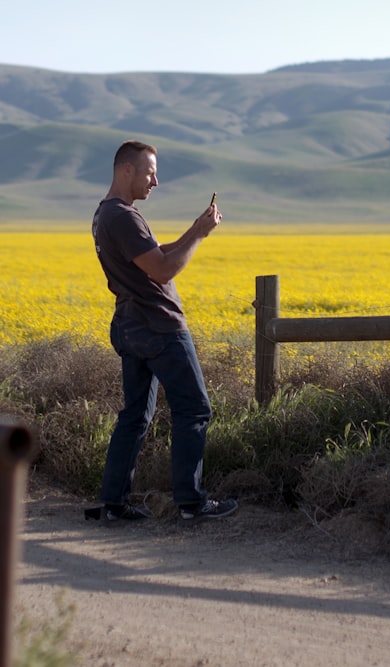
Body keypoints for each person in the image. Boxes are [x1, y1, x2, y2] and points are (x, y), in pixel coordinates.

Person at [91, 139, 237, 523]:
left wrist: (193, 230)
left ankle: (114, 504)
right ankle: (191, 502)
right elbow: (163, 270)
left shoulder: (107, 214)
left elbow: (155, 254)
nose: (155, 180)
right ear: (127, 170)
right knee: (195, 408)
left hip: (131, 326)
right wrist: (201, 234)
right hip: (158, 326)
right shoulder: (123, 217)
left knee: (136, 416)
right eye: (150, 171)